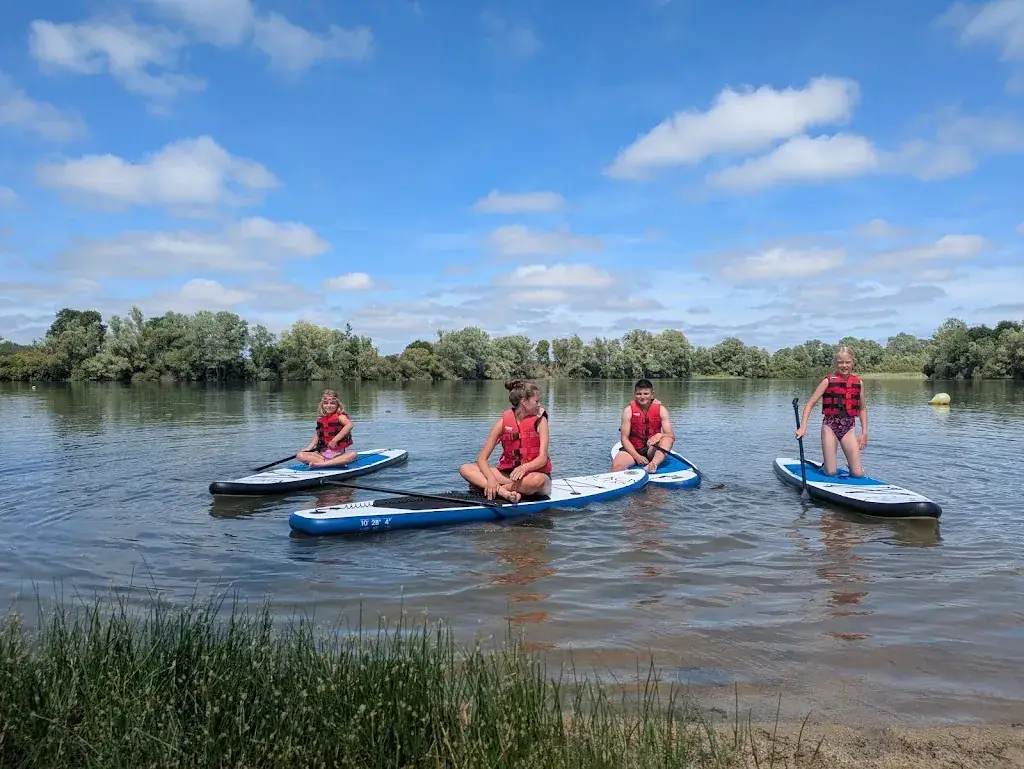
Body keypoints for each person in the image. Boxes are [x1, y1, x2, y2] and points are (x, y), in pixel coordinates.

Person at [459, 379, 552, 502]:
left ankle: (493, 488)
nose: (539, 405)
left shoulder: (541, 421)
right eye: (536, 401)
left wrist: (524, 468)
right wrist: (491, 479)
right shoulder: (502, 423)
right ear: (524, 401)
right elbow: (482, 459)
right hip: (510, 476)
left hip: (534, 477)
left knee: (536, 481)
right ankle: (504, 493)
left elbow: (542, 458)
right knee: (466, 468)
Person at [795, 346, 869, 477]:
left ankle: (852, 464)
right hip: (830, 427)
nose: (844, 365)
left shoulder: (858, 383)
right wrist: (803, 427)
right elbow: (810, 404)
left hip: (849, 427)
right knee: (831, 472)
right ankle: (826, 466)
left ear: (853, 362)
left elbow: (862, 408)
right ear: (835, 363)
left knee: (858, 474)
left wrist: (864, 433)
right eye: (840, 362)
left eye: (847, 362)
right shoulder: (827, 381)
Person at [612, 379, 675, 473]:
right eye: (639, 394)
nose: (642, 397)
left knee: (667, 439)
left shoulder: (661, 410)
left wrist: (660, 435)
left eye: (646, 394)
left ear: (652, 394)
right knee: (617, 466)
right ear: (634, 394)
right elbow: (624, 439)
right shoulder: (628, 411)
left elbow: (671, 435)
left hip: (652, 450)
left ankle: (652, 465)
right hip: (633, 449)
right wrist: (637, 456)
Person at [296, 389, 358, 468]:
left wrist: (334, 440)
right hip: (322, 457)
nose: (329, 406)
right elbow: (318, 435)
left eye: (332, 403)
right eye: (325, 403)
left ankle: (320, 464)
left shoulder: (340, 417)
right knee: (300, 455)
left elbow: (349, 425)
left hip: (338, 456)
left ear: (337, 405)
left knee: (353, 454)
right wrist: (309, 447)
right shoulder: (322, 419)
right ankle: (330, 463)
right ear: (322, 405)